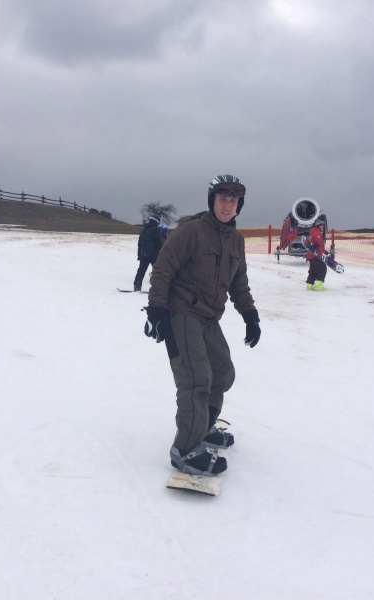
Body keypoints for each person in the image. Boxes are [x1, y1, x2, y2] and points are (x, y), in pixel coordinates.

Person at [144, 174, 261, 476]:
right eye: (222, 199)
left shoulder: (236, 240)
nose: (227, 205)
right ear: (212, 201)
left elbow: (239, 283)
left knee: (222, 373)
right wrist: (156, 309)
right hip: (182, 312)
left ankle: (204, 427)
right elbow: (163, 268)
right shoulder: (192, 231)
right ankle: (184, 449)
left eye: (233, 200)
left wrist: (250, 315)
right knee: (196, 379)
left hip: (209, 317)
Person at [133, 215, 163, 291]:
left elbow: (140, 244)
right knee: (157, 271)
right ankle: (158, 287)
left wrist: (139, 255)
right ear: (156, 222)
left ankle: (137, 285)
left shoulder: (143, 230)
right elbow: (158, 242)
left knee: (141, 270)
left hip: (144, 254)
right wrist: (162, 251)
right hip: (154, 254)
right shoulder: (155, 230)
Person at [302, 214, 328, 291]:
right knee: (322, 268)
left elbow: (317, 245)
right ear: (318, 225)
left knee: (313, 270)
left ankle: (309, 284)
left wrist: (325, 251)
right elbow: (318, 245)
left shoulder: (313, 232)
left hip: (311, 255)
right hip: (316, 255)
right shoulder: (317, 233)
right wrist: (320, 254)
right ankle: (318, 284)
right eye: (322, 225)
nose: (322, 227)